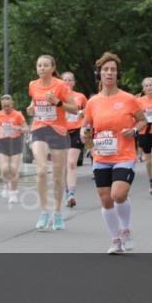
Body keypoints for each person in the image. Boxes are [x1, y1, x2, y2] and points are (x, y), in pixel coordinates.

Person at [82, 52, 145, 255]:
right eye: (105, 70)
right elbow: (86, 128)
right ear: (99, 74)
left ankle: (125, 229)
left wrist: (134, 130)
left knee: (118, 194)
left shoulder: (128, 99)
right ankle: (115, 239)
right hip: (101, 157)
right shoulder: (93, 102)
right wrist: (89, 143)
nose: (109, 73)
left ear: (118, 74)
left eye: (113, 70)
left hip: (124, 155)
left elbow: (143, 121)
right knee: (105, 199)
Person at [27, 55, 79, 231]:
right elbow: (33, 102)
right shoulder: (33, 85)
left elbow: (74, 108)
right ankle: (44, 211)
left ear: (52, 67)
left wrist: (57, 102)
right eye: (39, 65)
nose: (41, 68)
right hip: (39, 128)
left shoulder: (61, 85)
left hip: (58, 131)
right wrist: (31, 109)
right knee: (41, 170)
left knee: (57, 175)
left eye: (45, 65)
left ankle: (57, 212)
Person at [0, 94, 28, 204]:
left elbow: (26, 128)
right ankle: (6, 185)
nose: (6, 108)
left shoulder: (18, 115)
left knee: (13, 169)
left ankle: (13, 193)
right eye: (4, 106)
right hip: (2, 142)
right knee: (4, 169)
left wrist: (18, 128)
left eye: (8, 106)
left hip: (15, 142)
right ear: (1, 105)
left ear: (12, 104)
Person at [61, 71, 88, 208]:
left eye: (70, 80)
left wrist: (84, 127)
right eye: (65, 80)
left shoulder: (80, 97)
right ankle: (67, 192)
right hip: (60, 133)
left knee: (71, 163)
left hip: (76, 131)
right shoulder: (57, 96)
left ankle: (71, 194)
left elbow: (88, 114)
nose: (67, 82)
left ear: (74, 82)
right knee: (65, 165)